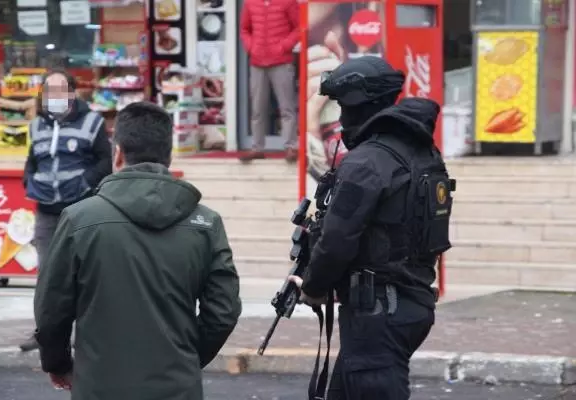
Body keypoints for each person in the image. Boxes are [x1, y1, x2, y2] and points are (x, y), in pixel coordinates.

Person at [33, 102, 242, 400]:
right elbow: (223, 311)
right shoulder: (206, 223)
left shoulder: (80, 219)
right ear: (168, 155)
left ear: (117, 153)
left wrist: (56, 362)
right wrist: (188, 357)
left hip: (99, 385)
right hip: (177, 385)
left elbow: (52, 307)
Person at [289, 56, 454, 399]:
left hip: (379, 313)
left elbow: (337, 239)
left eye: (341, 107)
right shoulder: (421, 151)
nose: (341, 117)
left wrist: (315, 286)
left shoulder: (367, 161)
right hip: (409, 302)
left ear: (358, 105)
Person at [19, 69, 112, 352]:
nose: (54, 97)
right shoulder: (37, 125)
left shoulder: (92, 122)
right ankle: (44, 333)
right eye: (49, 91)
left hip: (81, 211)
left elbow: (105, 162)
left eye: (60, 91)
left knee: (84, 273)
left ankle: (87, 334)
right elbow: (32, 160)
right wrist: (30, 183)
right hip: (46, 212)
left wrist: (84, 185)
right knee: (47, 276)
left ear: (72, 93)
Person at [239, 0, 299, 163]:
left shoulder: (288, 2)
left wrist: (284, 46)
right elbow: (244, 29)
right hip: (257, 63)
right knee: (257, 109)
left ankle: (291, 147)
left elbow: (299, 27)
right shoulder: (250, 3)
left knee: (287, 107)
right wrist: (251, 47)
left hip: (281, 61)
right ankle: (257, 148)